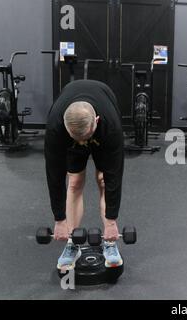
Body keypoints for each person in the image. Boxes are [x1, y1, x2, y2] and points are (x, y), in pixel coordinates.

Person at [44, 79, 124, 271]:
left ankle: (110, 242)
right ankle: (73, 243)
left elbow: (115, 177)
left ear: (96, 121)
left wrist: (112, 221)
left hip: (102, 129)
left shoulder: (110, 127)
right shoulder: (56, 128)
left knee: (104, 180)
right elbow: (54, 175)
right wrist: (59, 220)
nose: (82, 144)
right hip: (75, 128)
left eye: (85, 139)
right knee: (74, 181)